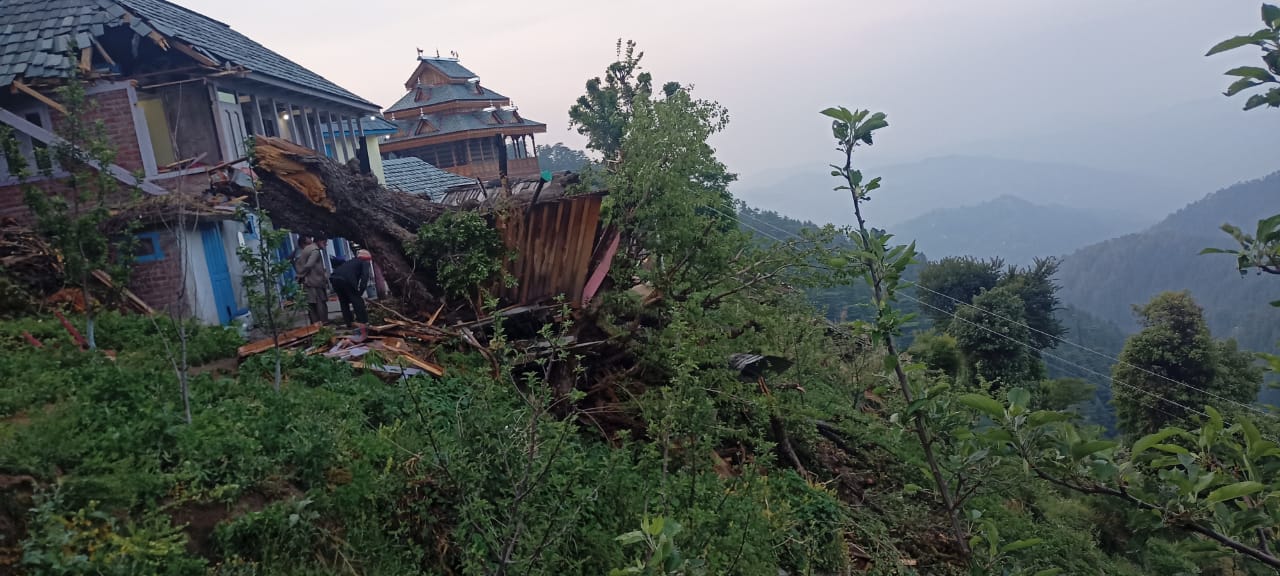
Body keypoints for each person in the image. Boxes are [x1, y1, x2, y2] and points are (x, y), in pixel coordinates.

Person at [330, 249, 372, 328]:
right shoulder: (364, 262)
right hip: (346, 279)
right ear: (367, 258)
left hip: (334, 278)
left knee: (344, 301)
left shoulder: (352, 261)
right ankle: (364, 322)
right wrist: (361, 291)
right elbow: (365, 277)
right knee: (357, 301)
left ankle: (349, 322)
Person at [295, 237, 329, 325]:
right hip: (314, 281)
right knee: (320, 303)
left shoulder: (308, 248)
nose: (326, 244)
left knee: (312, 304)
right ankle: (323, 323)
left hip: (309, 281)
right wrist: (300, 275)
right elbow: (309, 265)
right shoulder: (315, 250)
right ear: (319, 240)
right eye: (324, 241)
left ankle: (315, 325)